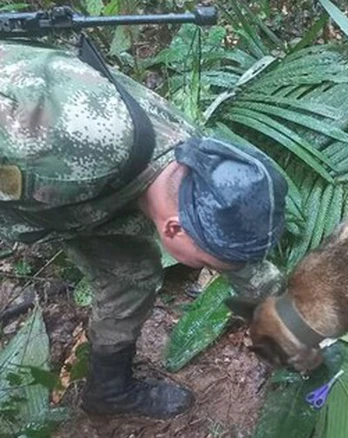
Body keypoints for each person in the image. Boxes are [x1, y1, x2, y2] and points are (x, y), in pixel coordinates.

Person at [0, 38, 288, 419]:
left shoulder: (197, 165)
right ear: (172, 230)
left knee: (131, 275)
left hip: (85, 199)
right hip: (36, 159)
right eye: (209, 264)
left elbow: (238, 258)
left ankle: (109, 391)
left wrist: (289, 321)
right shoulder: (59, 145)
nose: (214, 269)